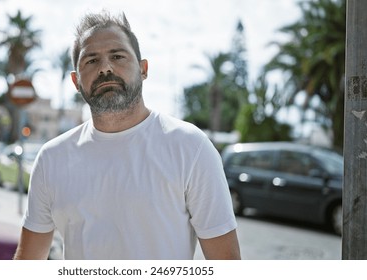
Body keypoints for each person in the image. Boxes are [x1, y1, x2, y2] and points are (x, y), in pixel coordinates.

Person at [14, 10, 241, 260]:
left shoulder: (191, 148)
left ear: (143, 69)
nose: (105, 68)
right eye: (91, 60)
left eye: (118, 56)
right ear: (76, 81)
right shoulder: (51, 159)